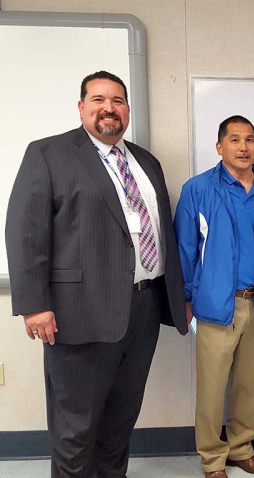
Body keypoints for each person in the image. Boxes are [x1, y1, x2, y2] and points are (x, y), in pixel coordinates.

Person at [5, 70, 188, 477]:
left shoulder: (146, 162)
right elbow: (26, 231)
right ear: (81, 107)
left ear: (127, 109)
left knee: (120, 422)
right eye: (99, 99)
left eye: (118, 101)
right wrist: (34, 306)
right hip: (78, 312)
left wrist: (177, 296)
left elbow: (161, 231)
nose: (109, 108)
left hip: (143, 307)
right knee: (76, 430)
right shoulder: (48, 153)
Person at [174, 115, 254, 478]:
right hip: (216, 304)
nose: (243, 147)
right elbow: (185, 250)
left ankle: (241, 448)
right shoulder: (198, 189)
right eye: (234, 140)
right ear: (219, 147)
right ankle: (212, 458)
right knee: (211, 387)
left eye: (249, 139)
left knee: (250, 385)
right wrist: (188, 299)